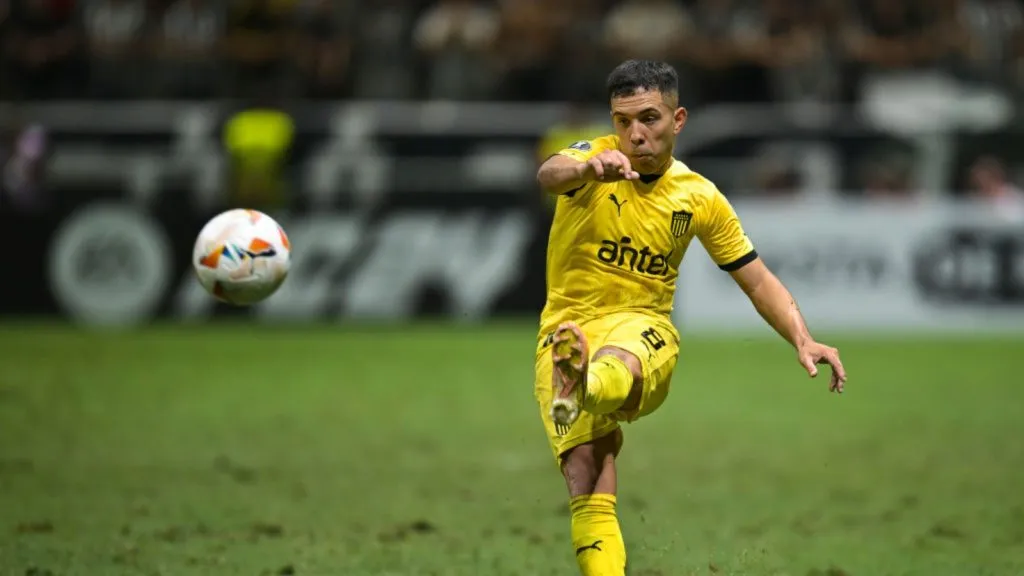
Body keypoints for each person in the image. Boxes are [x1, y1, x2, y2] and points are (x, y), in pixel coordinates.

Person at [534, 59, 847, 576]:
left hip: (643, 328)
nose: (635, 135)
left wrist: (803, 338)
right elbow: (549, 173)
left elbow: (757, 279)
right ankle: (580, 381)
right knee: (587, 470)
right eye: (623, 121)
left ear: (678, 120)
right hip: (567, 330)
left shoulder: (698, 196)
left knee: (620, 360)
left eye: (649, 119)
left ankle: (584, 382)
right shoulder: (591, 159)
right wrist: (587, 169)